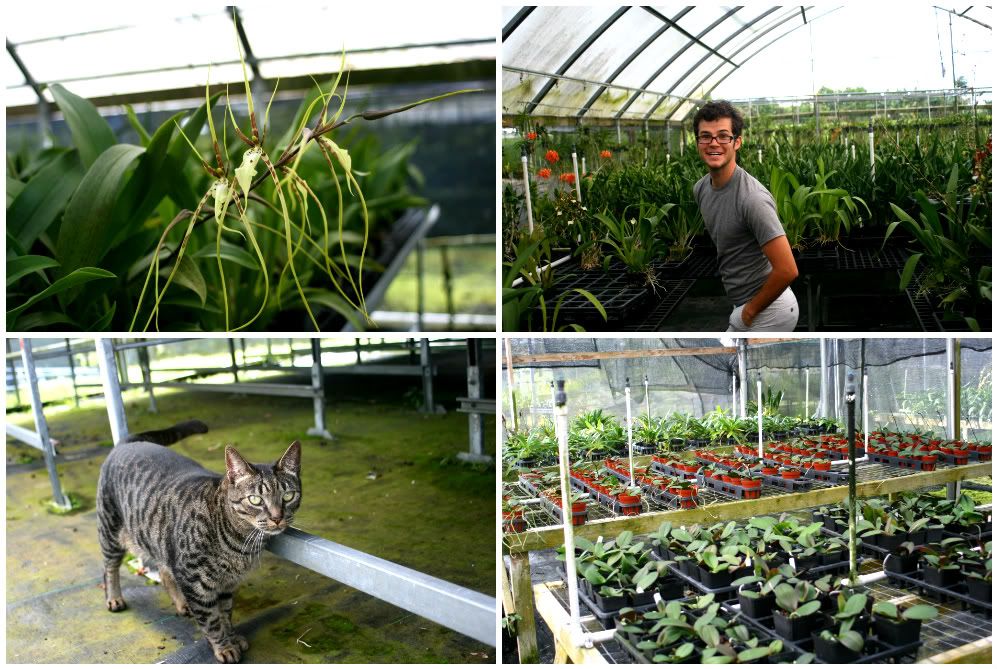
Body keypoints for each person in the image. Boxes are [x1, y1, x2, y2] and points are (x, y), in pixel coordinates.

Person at [692, 100, 799, 331]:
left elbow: (788, 269)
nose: (714, 144)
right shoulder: (701, 189)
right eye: (705, 136)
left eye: (723, 136)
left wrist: (749, 311)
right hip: (742, 303)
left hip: (770, 308)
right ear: (697, 142)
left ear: (737, 142)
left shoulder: (752, 199)